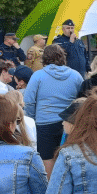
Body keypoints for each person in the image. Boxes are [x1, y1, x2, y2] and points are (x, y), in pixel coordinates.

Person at [23, 44, 84, 176]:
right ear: (63, 57)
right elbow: (82, 100)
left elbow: (28, 101)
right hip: (70, 123)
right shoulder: (76, 76)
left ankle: (52, 191)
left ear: (44, 58)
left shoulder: (37, 76)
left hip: (45, 123)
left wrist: (33, 119)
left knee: (47, 161)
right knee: (71, 160)